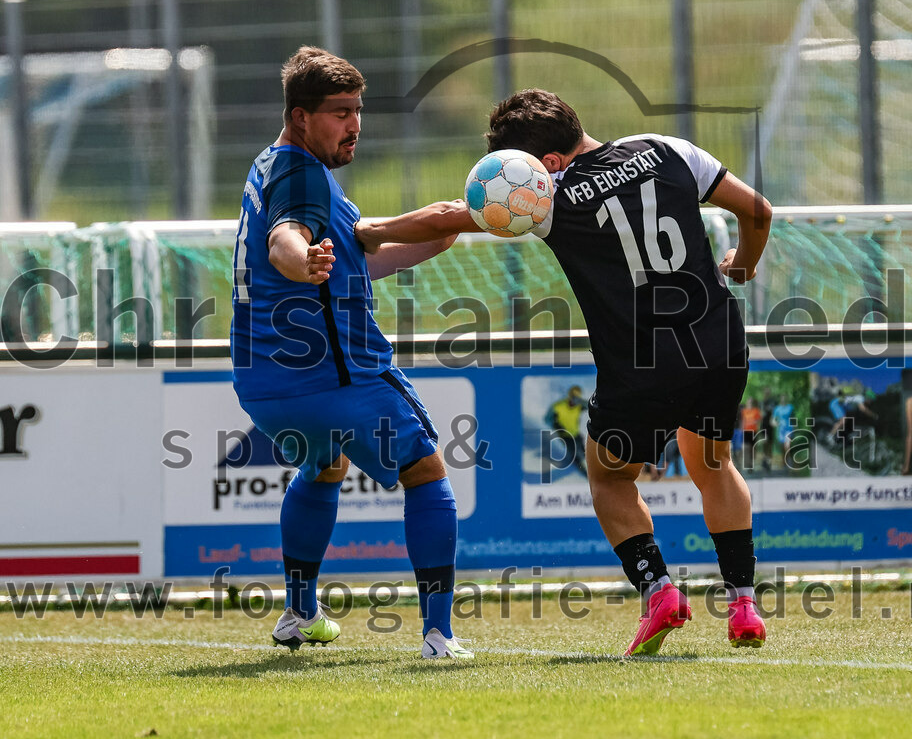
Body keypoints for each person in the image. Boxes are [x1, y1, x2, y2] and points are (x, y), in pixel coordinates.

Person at [355, 88, 773, 655]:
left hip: (642, 360)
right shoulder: (669, 148)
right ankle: (744, 603)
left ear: (547, 164)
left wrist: (368, 233)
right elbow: (757, 211)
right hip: (719, 341)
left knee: (610, 477)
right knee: (713, 464)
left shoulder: (551, 196)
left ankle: (659, 590)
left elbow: (445, 217)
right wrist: (741, 266)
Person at [230, 46, 473, 659]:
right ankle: (439, 635)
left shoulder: (270, 164)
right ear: (301, 115)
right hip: (339, 376)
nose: (354, 124)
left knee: (323, 467)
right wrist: (300, 259)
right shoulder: (305, 178)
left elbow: (357, 253)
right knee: (424, 472)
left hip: (265, 388)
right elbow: (288, 237)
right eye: (340, 112)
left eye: (358, 110)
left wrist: (430, 238)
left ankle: (299, 613)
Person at [544, 385, 588, 475]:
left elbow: (590, 406)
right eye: (574, 398)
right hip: (564, 435)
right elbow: (547, 419)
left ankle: (588, 465)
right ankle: (582, 470)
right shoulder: (558, 406)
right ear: (569, 396)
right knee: (574, 452)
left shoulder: (579, 406)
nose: (575, 401)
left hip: (575, 433)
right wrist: (555, 424)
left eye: (578, 398)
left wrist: (582, 401)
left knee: (583, 450)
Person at [770, 395, 795, 472]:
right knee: (782, 447)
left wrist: (795, 427)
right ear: (780, 399)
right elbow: (773, 420)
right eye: (782, 398)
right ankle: (784, 462)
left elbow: (794, 418)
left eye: (785, 398)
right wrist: (775, 423)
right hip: (781, 430)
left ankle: (788, 461)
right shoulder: (777, 409)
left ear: (786, 399)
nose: (783, 399)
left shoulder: (790, 407)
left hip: (789, 429)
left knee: (787, 446)